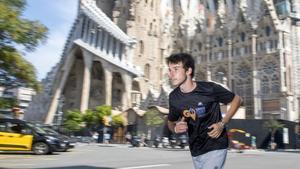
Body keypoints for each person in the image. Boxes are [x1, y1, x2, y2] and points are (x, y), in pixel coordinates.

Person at [166, 53, 242, 169]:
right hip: (196, 150)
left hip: (216, 145)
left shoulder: (209, 88)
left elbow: (237, 100)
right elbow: (170, 122)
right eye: (169, 70)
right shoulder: (174, 98)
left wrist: (222, 123)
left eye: (176, 69)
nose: (170, 74)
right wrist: (175, 128)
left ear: (188, 71)